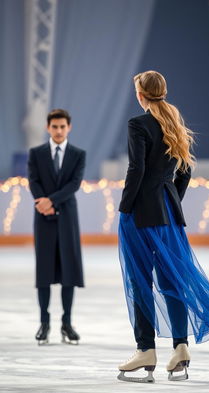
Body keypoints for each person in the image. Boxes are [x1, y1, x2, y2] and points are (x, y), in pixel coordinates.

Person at [117, 71, 209, 383]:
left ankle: (145, 348)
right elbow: (185, 171)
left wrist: (125, 207)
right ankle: (180, 347)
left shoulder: (139, 123)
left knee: (139, 280)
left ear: (141, 95)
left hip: (140, 212)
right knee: (172, 280)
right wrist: (170, 198)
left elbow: (137, 168)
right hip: (168, 212)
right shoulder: (174, 122)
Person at [28, 109, 86, 345]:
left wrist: (51, 201)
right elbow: (33, 181)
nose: (59, 131)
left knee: (68, 271)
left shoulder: (77, 154)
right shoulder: (37, 153)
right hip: (43, 218)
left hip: (67, 218)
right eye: (55, 127)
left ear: (69, 127)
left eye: (63, 127)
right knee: (44, 271)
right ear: (48, 128)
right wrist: (43, 203)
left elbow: (74, 184)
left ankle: (67, 323)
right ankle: (44, 322)